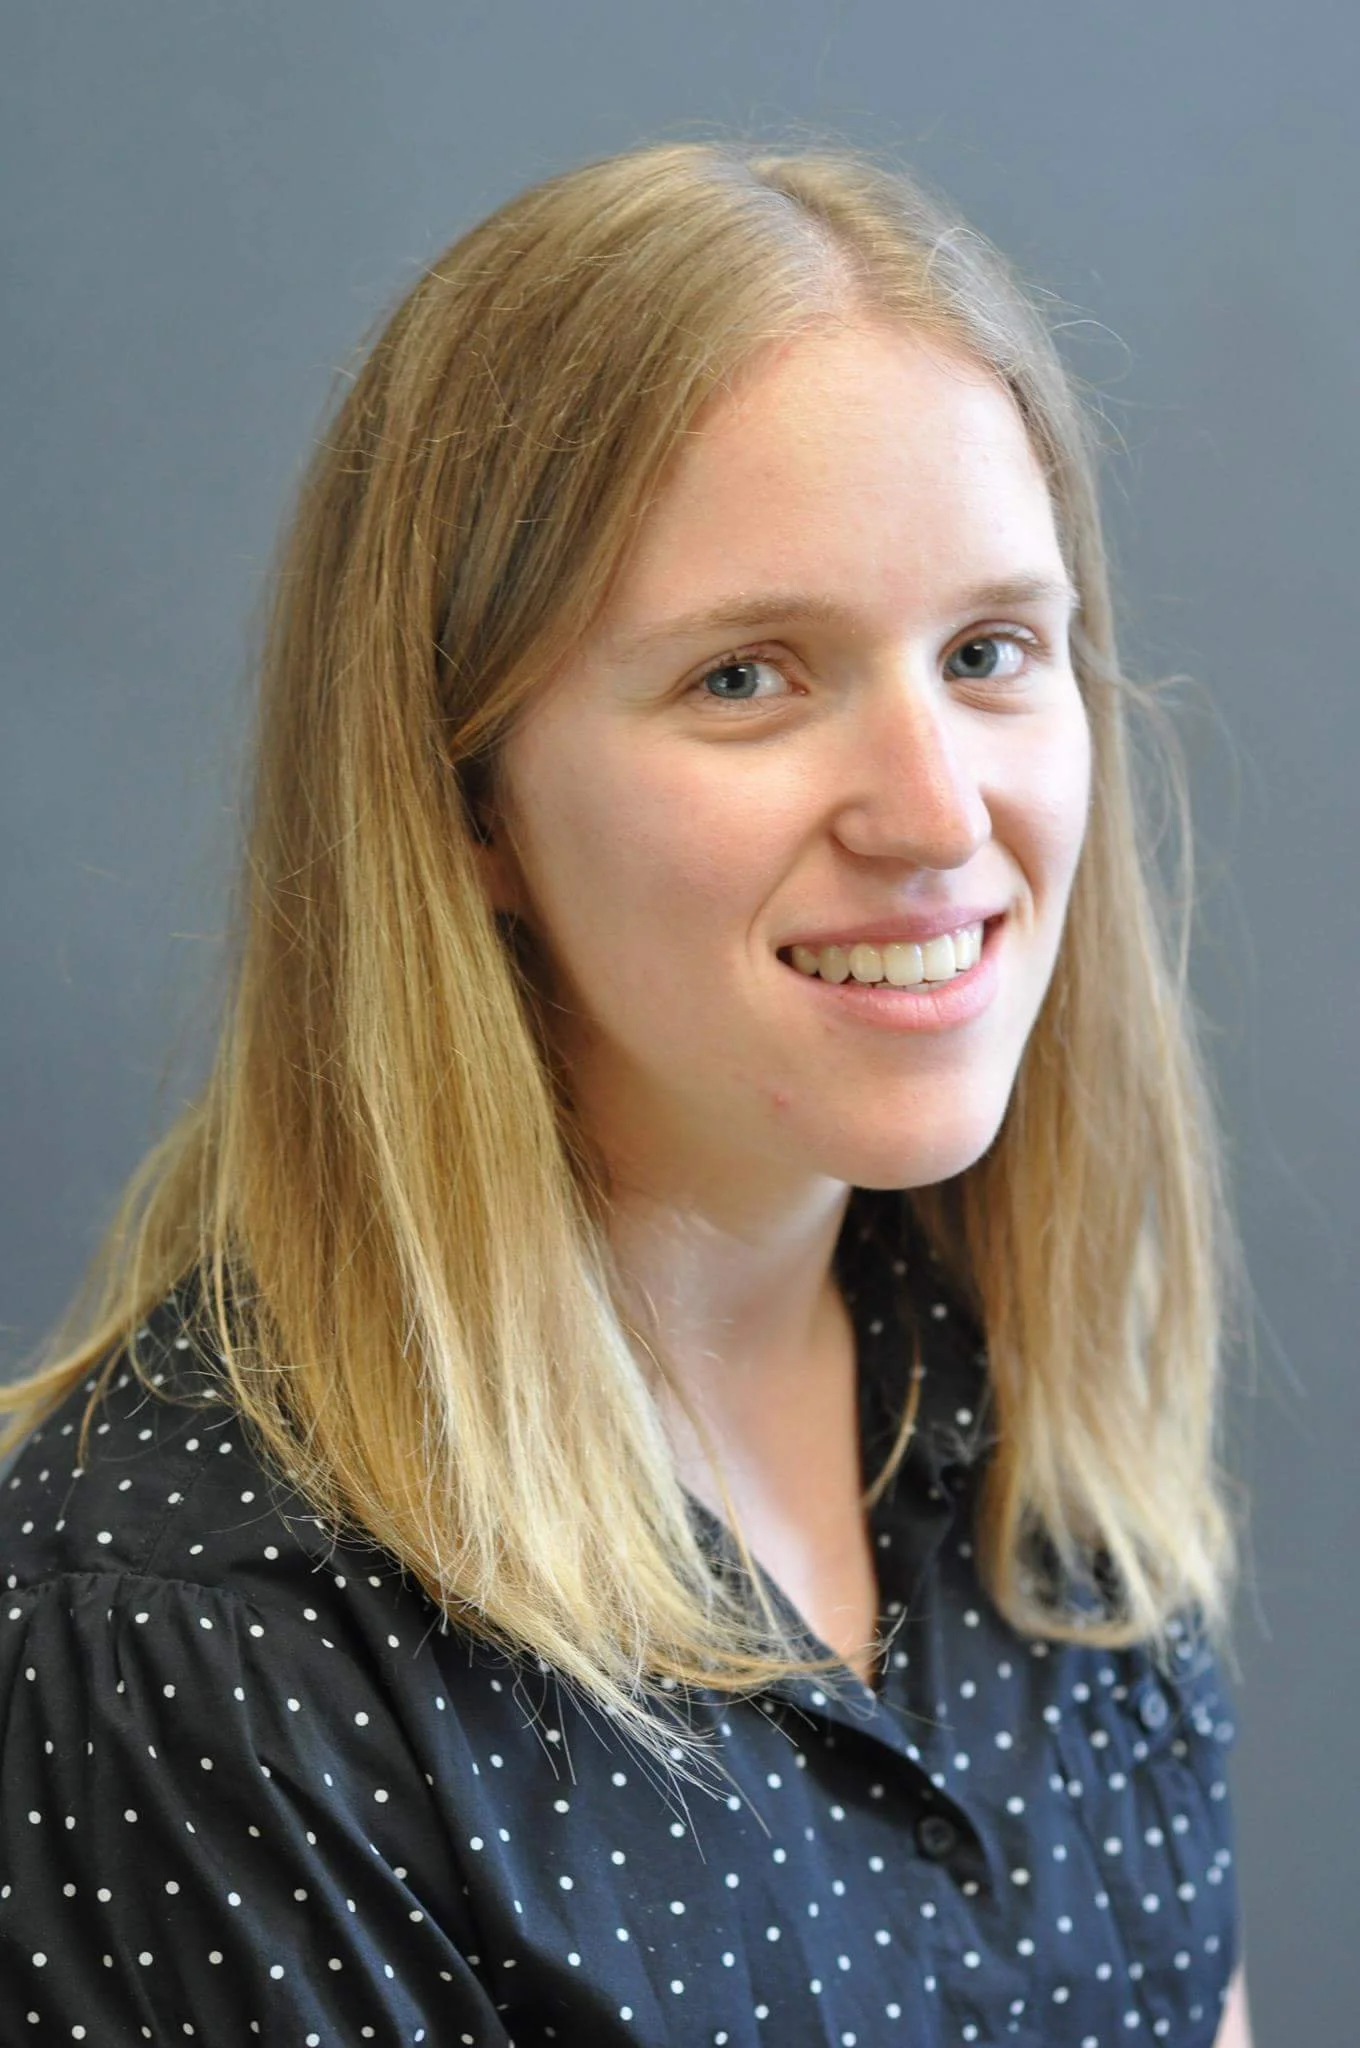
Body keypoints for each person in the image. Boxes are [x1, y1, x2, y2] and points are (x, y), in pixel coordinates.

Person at [0, 138, 1253, 2045]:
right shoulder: (198, 1628)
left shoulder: (1043, 1436)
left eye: (991, 650)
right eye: (749, 678)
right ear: (468, 801)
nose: (934, 811)